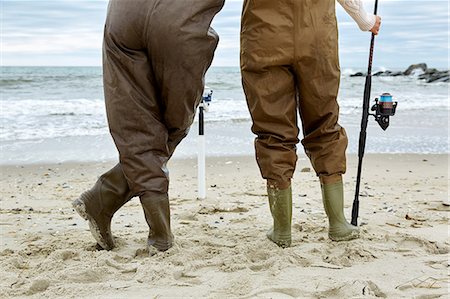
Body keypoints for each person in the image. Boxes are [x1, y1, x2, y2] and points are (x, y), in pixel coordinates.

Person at [73, 0, 225, 252]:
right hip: (180, 18)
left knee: (138, 129)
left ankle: (105, 201)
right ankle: (158, 236)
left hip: (123, 15)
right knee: (173, 125)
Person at [240, 0, 382, 247]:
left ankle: (282, 230)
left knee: (273, 130)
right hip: (317, 35)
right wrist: (365, 20)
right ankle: (338, 224)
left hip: (263, 36)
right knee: (325, 124)